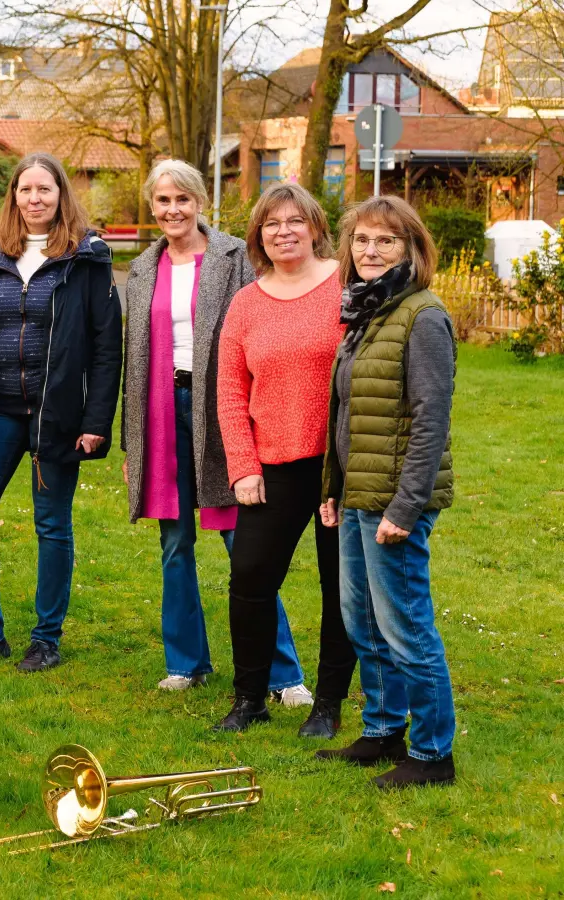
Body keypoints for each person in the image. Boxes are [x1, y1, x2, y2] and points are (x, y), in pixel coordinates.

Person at [119, 160, 314, 703]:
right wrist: (132, 443)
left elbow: (262, 333)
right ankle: (186, 663)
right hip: (160, 412)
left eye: (182, 199)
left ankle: (283, 675)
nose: (172, 210)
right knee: (175, 543)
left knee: (243, 543)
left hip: (222, 412)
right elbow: (133, 362)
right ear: (152, 207)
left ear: (200, 201)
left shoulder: (234, 258)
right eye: (162, 201)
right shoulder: (141, 269)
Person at [0, 153, 122, 673]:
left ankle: (46, 639)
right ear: (15, 196)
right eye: (26, 190)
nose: (35, 199)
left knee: (51, 524)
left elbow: (106, 345)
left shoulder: (87, 258)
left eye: (45, 189)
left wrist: (95, 421)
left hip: (57, 416)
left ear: (60, 194)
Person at [316, 196, 458, 788]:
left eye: (386, 241)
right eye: (362, 240)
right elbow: (346, 409)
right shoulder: (368, 311)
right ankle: (381, 730)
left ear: (412, 249)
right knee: (362, 621)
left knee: (404, 625)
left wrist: (404, 506)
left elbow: (431, 418)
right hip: (355, 494)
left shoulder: (423, 316)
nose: (370, 251)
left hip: (394, 500)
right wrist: (332, 486)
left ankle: (431, 754)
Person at [213, 182, 357, 734]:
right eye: (272, 224)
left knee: (337, 584)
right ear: (259, 236)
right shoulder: (246, 303)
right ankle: (249, 697)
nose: (284, 231)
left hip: (335, 466)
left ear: (316, 228)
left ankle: (327, 704)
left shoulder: (346, 288)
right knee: (250, 577)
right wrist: (243, 466)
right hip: (271, 466)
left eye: (295, 221)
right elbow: (228, 389)